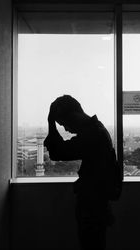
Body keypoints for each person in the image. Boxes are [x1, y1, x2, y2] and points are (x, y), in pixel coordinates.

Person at [44, 95, 119, 250]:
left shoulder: (93, 135)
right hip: (97, 203)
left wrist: (51, 123)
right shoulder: (97, 130)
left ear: (73, 115)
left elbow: (57, 152)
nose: (65, 129)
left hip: (92, 205)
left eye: (64, 123)